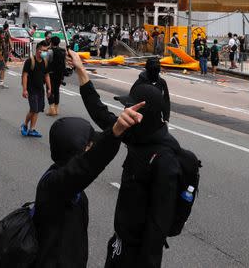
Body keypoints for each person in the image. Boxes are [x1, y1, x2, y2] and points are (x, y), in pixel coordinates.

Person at [72, 50, 182, 268]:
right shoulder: (137, 134)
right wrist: (81, 70)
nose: (125, 111)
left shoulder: (165, 160)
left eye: (130, 107)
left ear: (143, 115)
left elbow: (157, 229)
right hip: (119, 243)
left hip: (136, 255)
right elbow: (101, 113)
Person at [32, 93, 145, 266]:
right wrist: (116, 131)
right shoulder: (54, 185)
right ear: (75, 152)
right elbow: (87, 166)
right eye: (89, 145)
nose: (93, 146)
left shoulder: (67, 183)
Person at [21, 40, 52, 137]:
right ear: (37, 50)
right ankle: (25, 124)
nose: (44, 52)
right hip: (31, 89)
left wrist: (49, 88)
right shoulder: (30, 61)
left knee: (37, 109)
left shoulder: (45, 62)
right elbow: (24, 75)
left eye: (46, 50)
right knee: (34, 109)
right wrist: (24, 89)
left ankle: (32, 129)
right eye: (43, 50)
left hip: (40, 89)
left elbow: (46, 75)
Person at [130, 57, 170, 122]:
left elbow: (166, 101)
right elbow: (131, 100)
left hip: (156, 119)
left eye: (156, 70)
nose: (155, 72)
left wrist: (166, 118)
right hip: (141, 119)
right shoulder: (140, 82)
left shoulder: (162, 82)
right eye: (153, 70)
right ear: (147, 69)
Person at [46, 35, 67, 116]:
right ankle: (56, 109)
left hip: (51, 73)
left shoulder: (50, 51)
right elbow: (63, 62)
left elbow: (46, 61)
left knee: (49, 90)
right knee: (57, 90)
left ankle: (51, 109)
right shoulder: (63, 51)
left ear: (51, 42)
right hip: (60, 74)